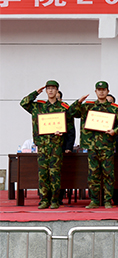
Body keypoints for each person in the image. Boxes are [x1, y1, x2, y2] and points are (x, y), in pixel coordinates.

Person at [70, 81, 118, 209]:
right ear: (95, 92)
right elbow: (72, 113)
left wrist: (115, 131)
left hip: (107, 146)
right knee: (93, 175)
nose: (101, 92)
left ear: (107, 91)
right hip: (92, 146)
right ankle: (94, 200)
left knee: (108, 174)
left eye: (104, 90)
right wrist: (78, 102)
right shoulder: (88, 106)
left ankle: (107, 200)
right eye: (99, 90)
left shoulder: (114, 108)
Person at [20, 80, 73, 209]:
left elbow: (70, 126)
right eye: (48, 88)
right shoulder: (38, 106)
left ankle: (55, 200)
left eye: (53, 88)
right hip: (42, 145)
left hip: (56, 145)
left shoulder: (63, 107)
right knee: (43, 174)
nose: (50, 91)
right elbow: (23, 103)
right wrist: (35, 93)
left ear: (57, 91)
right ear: (45, 91)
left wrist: (64, 135)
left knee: (55, 174)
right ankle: (44, 200)